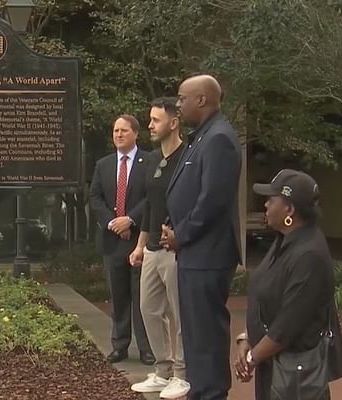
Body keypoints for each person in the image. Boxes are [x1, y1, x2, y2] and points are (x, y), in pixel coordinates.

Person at [160, 74, 242, 400]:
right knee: (194, 334)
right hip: (195, 252)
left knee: (205, 334)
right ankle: (202, 391)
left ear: (202, 100)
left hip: (208, 254)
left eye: (182, 98)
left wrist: (183, 234)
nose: (178, 105)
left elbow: (212, 200)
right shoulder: (202, 136)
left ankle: (210, 393)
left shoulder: (219, 138)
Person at [234, 169, 342, 399]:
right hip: (273, 366)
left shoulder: (309, 255)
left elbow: (287, 326)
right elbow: (267, 297)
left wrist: (252, 358)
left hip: (294, 377)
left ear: (290, 210)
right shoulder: (284, 240)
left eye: (271, 200)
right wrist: (247, 337)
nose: (265, 205)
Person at [128, 97, 190, 398]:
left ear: (173, 123)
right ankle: (163, 370)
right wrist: (141, 246)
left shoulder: (188, 157)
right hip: (152, 247)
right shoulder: (152, 160)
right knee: (149, 308)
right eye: (150, 120)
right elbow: (151, 207)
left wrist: (181, 235)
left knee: (179, 312)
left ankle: (182, 374)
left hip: (176, 248)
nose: (150, 125)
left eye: (155, 120)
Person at [89, 115, 154, 365]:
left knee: (142, 297)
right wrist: (114, 223)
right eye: (115, 130)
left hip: (140, 239)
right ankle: (120, 346)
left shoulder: (149, 161)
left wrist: (130, 220)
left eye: (124, 130)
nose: (118, 135)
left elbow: (151, 197)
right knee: (118, 297)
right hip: (112, 241)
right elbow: (94, 198)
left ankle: (147, 348)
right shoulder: (103, 165)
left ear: (136, 133)